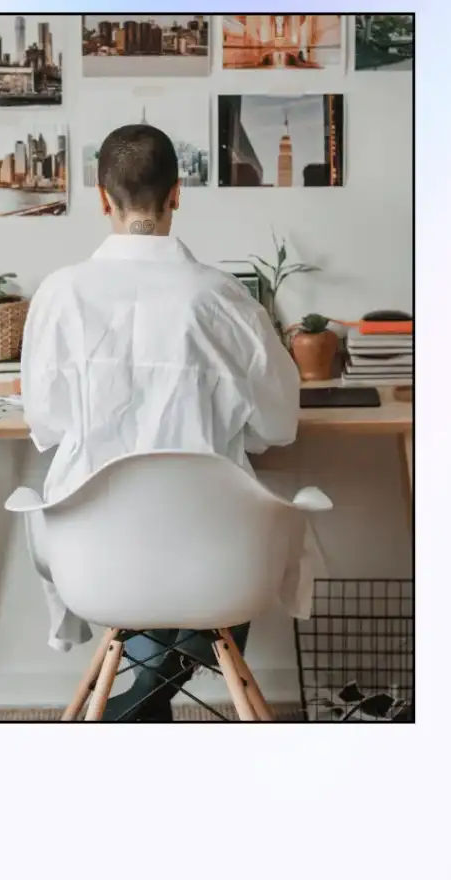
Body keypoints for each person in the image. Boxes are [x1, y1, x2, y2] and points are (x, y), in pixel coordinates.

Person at [20, 123, 306, 721]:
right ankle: (157, 686)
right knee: (225, 526)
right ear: (178, 193)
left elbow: (46, 423)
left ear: (102, 198)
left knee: (128, 527)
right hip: (216, 556)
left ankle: (142, 698)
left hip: (93, 557)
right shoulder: (223, 298)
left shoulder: (59, 295)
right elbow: (280, 425)